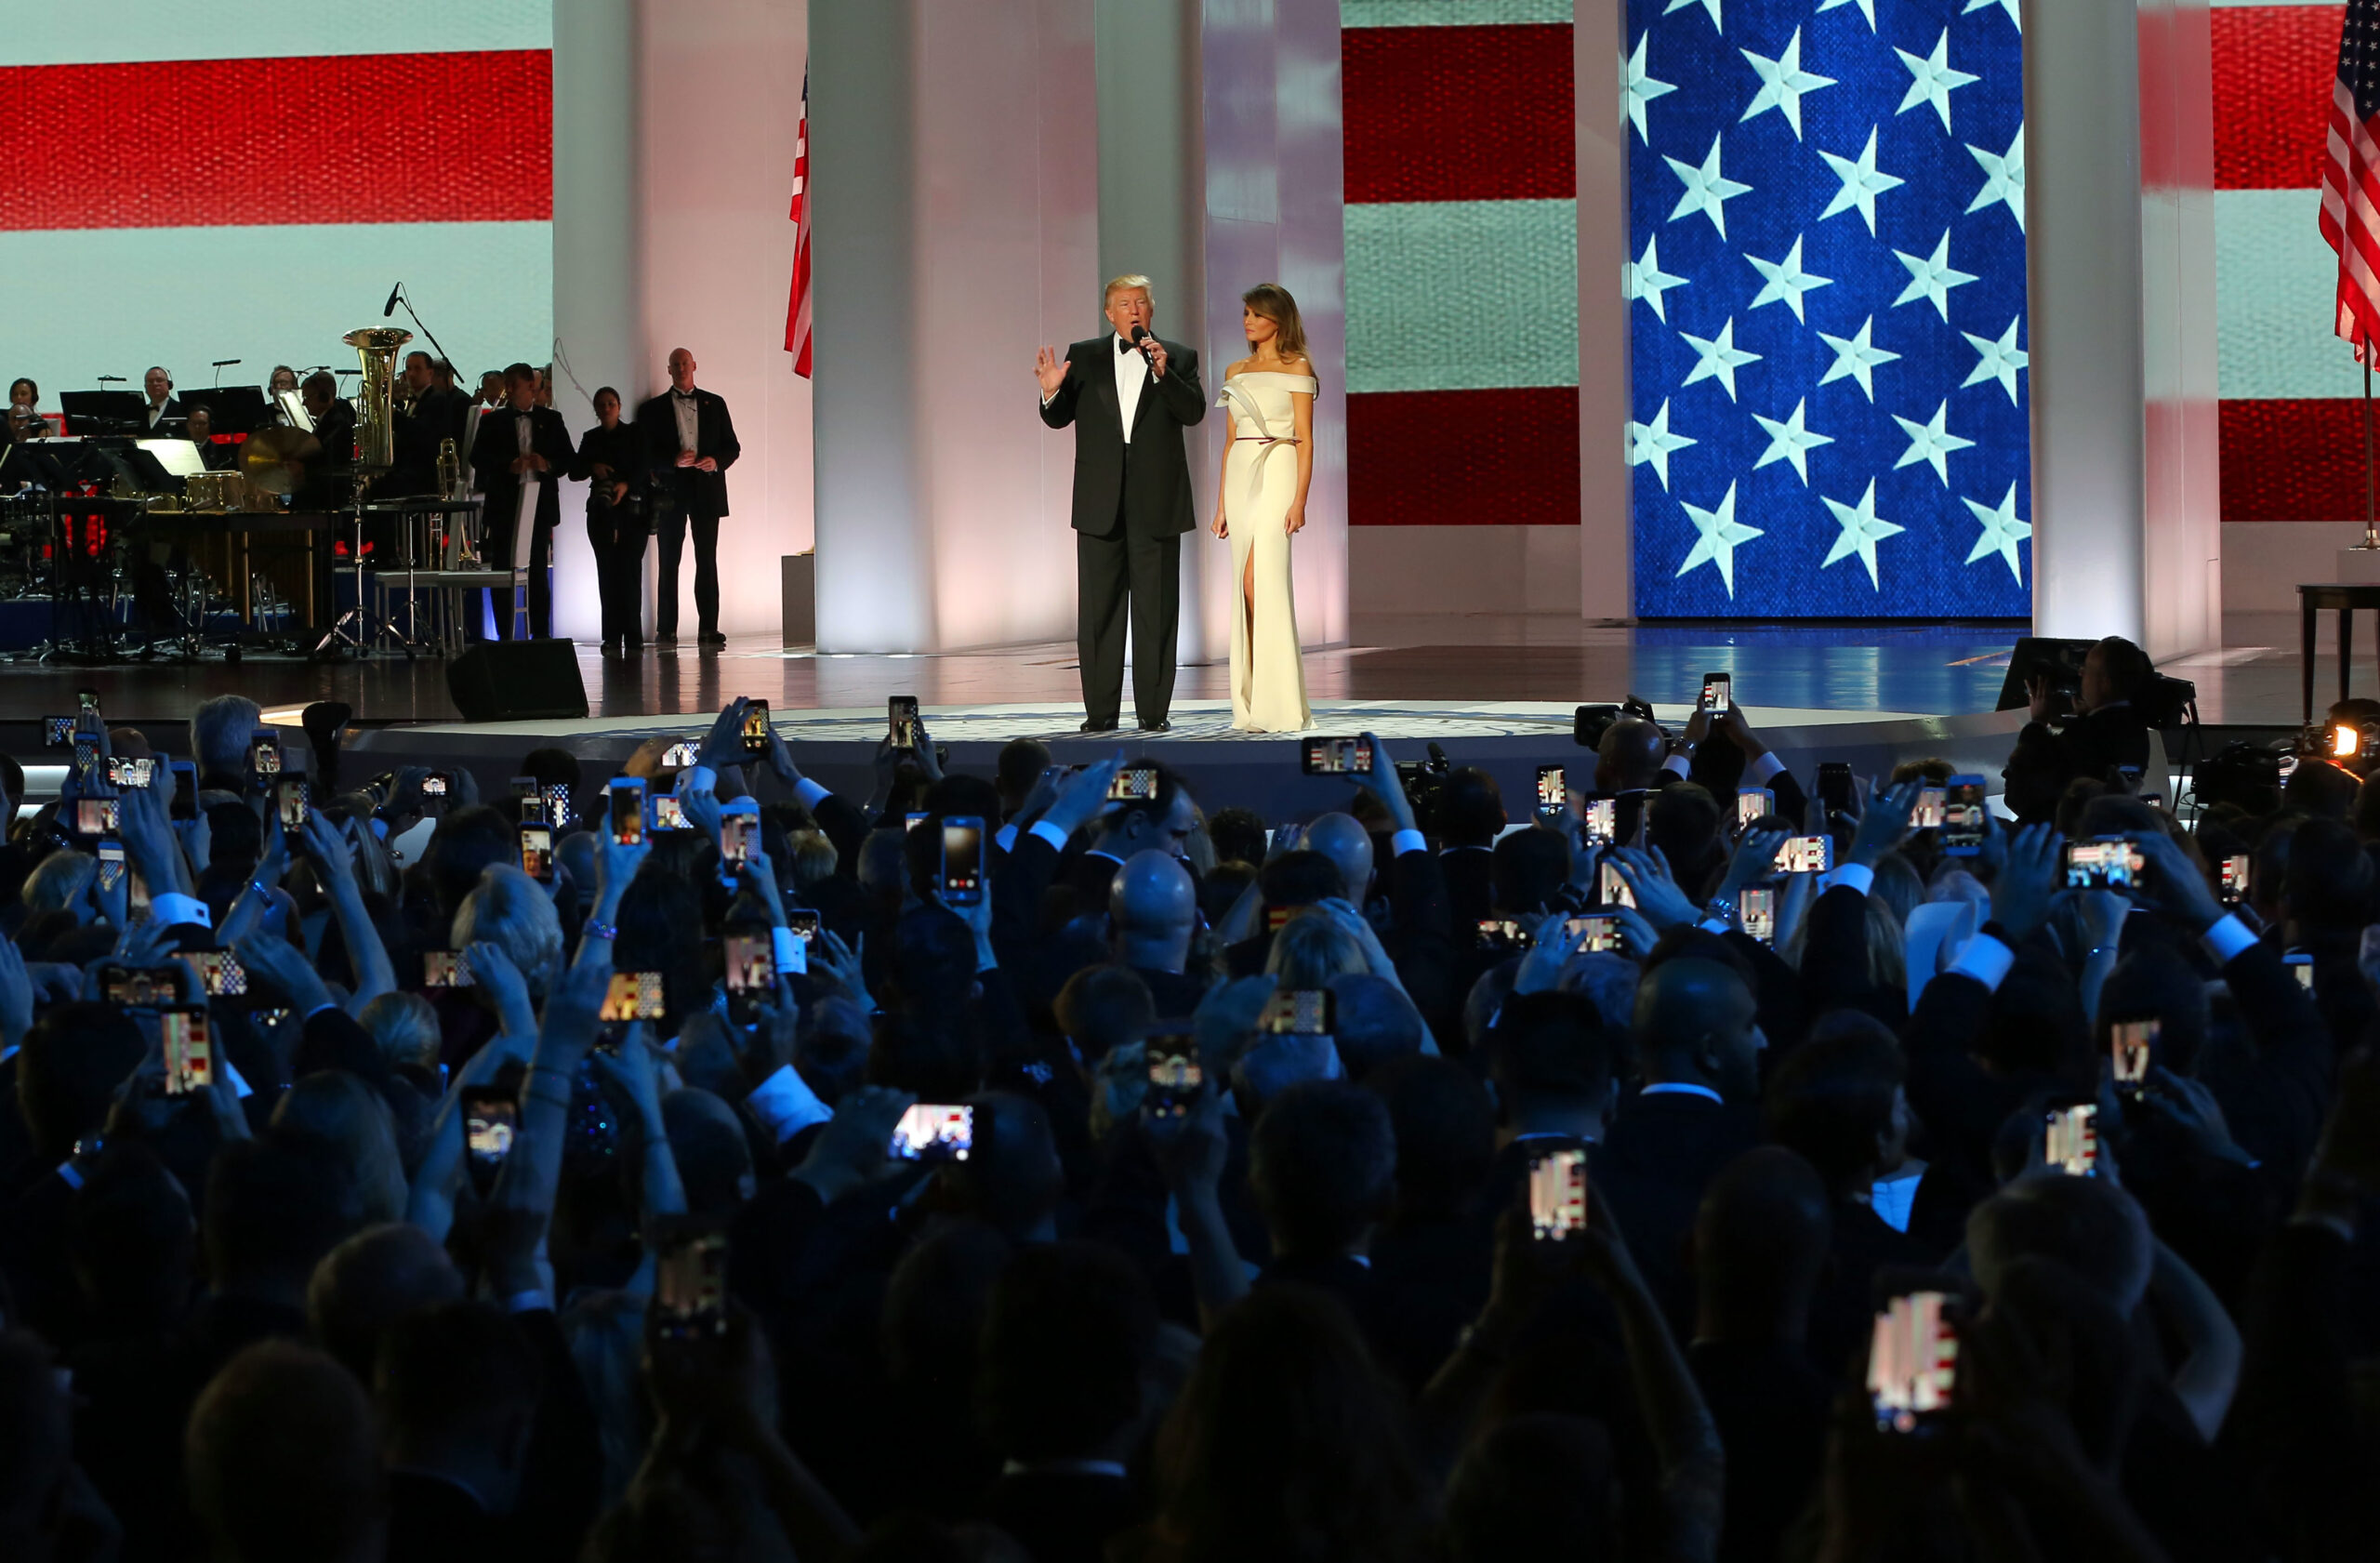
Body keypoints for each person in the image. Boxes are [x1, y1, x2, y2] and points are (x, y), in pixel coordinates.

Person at [1035, 274, 1207, 734]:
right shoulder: (1085, 355)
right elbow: (1057, 418)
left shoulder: (1179, 358)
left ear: (1152, 310)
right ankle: (1100, 713)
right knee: (1099, 613)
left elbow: (1193, 413)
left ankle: (1154, 713)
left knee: (1156, 611)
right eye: (1124, 304)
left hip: (1157, 502)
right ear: (1109, 313)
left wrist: (1163, 373)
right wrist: (1051, 389)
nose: (1133, 310)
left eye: (1141, 303)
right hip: (1099, 502)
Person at [1211, 283, 1317, 734]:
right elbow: (1230, 440)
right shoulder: (1237, 369)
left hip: (1279, 465)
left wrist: (1300, 500)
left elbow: (1307, 439)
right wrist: (1220, 505)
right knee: (1242, 584)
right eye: (1246, 314)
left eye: (1256, 314)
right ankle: (1251, 702)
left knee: (1262, 581)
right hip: (1240, 472)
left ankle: (1279, 702)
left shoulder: (1298, 366)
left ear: (1279, 319)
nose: (1248, 322)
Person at [636, 348, 740, 649]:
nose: (681, 368)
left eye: (685, 363)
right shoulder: (651, 410)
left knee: (707, 560)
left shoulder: (715, 403)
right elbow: (644, 454)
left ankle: (709, 628)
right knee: (669, 562)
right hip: (670, 492)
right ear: (668, 370)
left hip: (707, 491)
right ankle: (666, 629)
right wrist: (672, 462)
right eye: (675, 365)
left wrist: (715, 461)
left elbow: (732, 446)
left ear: (694, 366)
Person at [468, 363, 572, 641]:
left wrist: (546, 463)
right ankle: (504, 636)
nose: (509, 390)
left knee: (538, 572)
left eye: (514, 384)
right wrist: (507, 465)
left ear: (530, 386)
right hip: (504, 504)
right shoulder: (493, 420)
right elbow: (476, 458)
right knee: (502, 572)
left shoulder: (551, 419)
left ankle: (541, 636)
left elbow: (568, 461)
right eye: (507, 384)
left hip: (539, 505)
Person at [2003, 634, 2155, 823]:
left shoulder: (2085, 735)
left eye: (2087, 669)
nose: (2080, 673)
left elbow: (2022, 794)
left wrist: (2037, 723)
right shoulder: (2136, 729)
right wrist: (2083, 718)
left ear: (2105, 683)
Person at [573, 386, 647, 655]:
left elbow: (643, 466)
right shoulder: (590, 438)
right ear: (595, 409)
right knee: (607, 573)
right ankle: (612, 637)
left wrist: (625, 485)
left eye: (611, 403)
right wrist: (594, 467)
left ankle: (634, 637)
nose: (606, 409)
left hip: (632, 510)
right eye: (602, 404)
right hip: (602, 511)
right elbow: (575, 471)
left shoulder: (634, 434)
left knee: (629, 572)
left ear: (619, 406)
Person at [185, 406, 235, 471]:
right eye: (193, 423)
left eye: (202, 423)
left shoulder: (220, 452)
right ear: (187, 425)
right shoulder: (181, 450)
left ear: (210, 425)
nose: (197, 427)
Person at [140, 365, 178, 431]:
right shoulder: (139, 413)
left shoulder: (181, 410)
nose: (155, 384)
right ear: (145, 387)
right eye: (150, 381)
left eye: (159, 380)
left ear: (169, 384)